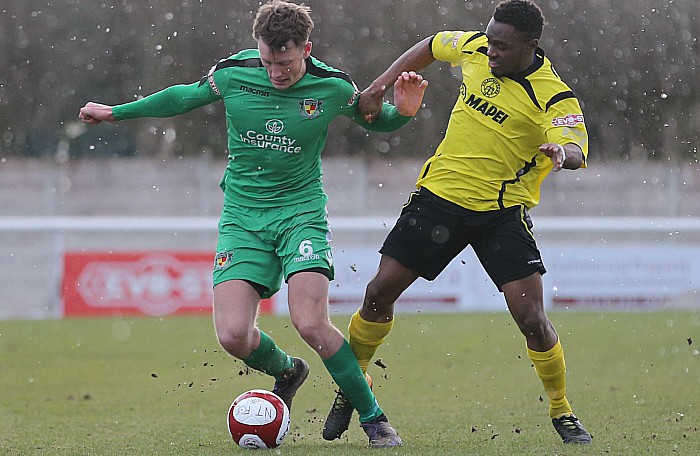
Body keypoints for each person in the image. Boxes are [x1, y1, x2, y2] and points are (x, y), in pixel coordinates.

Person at [79, 0, 427, 448]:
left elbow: (375, 122)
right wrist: (116, 112)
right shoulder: (232, 72)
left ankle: (374, 418)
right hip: (242, 218)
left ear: (306, 48)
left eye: (284, 63)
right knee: (233, 336)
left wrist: (406, 110)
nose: (275, 73)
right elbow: (183, 96)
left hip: (300, 214)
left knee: (310, 322)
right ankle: (288, 370)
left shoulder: (333, 86)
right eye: (267, 62)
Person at [322, 0, 592, 446]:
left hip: (500, 216)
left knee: (532, 319)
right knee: (377, 293)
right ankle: (352, 388)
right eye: (490, 43)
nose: (491, 53)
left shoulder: (552, 95)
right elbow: (428, 45)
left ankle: (562, 411)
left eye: (502, 47)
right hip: (438, 201)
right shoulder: (474, 48)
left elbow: (576, 144)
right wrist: (378, 86)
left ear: (531, 45)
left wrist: (564, 155)